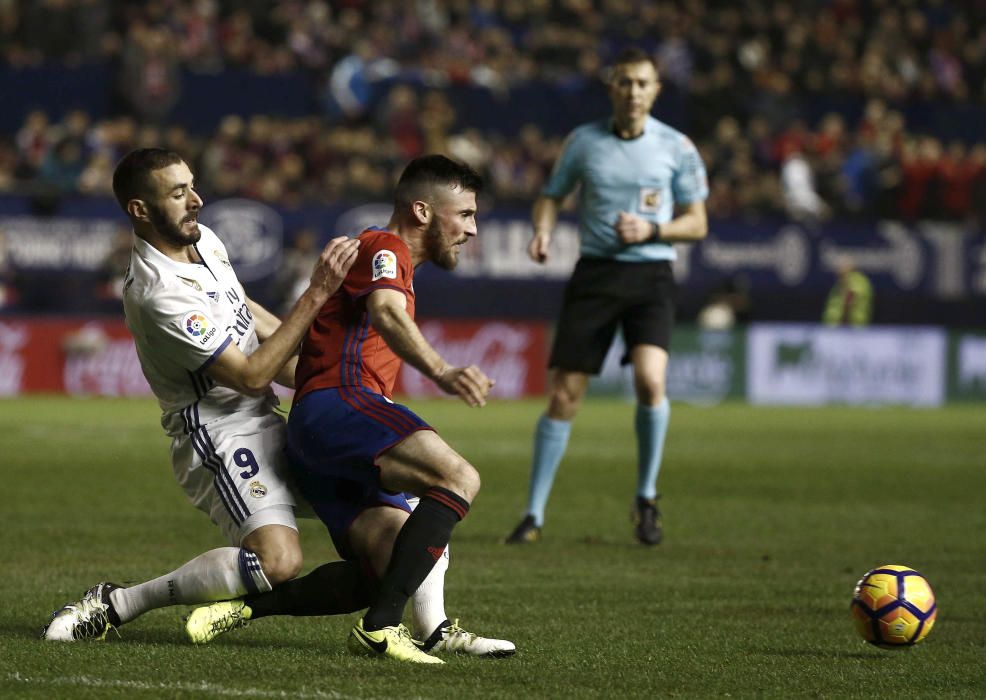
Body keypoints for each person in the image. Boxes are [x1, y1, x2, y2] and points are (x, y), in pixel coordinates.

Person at [43, 149, 509, 660]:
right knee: (276, 561)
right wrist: (316, 295)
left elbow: (249, 314)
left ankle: (432, 631)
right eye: (178, 194)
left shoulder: (203, 241)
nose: (196, 200)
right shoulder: (159, 293)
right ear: (139, 209)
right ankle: (118, 603)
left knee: (399, 544)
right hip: (219, 429)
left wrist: (322, 375)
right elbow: (251, 375)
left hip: (270, 414)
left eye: (192, 186)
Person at [189, 155, 501, 665]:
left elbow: (316, 346)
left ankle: (246, 610)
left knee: (389, 565)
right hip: (344, 406)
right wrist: (443, 371)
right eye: (464, 214)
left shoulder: (382, 257)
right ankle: (386, 629)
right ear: (422, 211)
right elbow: (385, 311)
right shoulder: (386, 246)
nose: (471, 228)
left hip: (316, 430)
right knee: (457, 477)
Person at [505, 48, 709, 546]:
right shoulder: (584, 142)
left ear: (656, 89)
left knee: (649, 378)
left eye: (643, 83)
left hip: (651, 276)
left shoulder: (676, 147)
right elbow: (552, 194)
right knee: (563, 395)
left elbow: (698, 222)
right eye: (625, 83)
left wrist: (653, 228)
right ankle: (533, 514)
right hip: (595, 277)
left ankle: (646, 497)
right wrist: (542, 231)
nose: (634, 92)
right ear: (612, 88)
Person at [822, 255, 873, 326]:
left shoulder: (860, 283)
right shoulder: (838, 284)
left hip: (855, 328)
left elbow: (855, 304)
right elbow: (831, 309)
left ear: (851, 268)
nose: (839, 271)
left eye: (843, 268)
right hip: (835, 328)